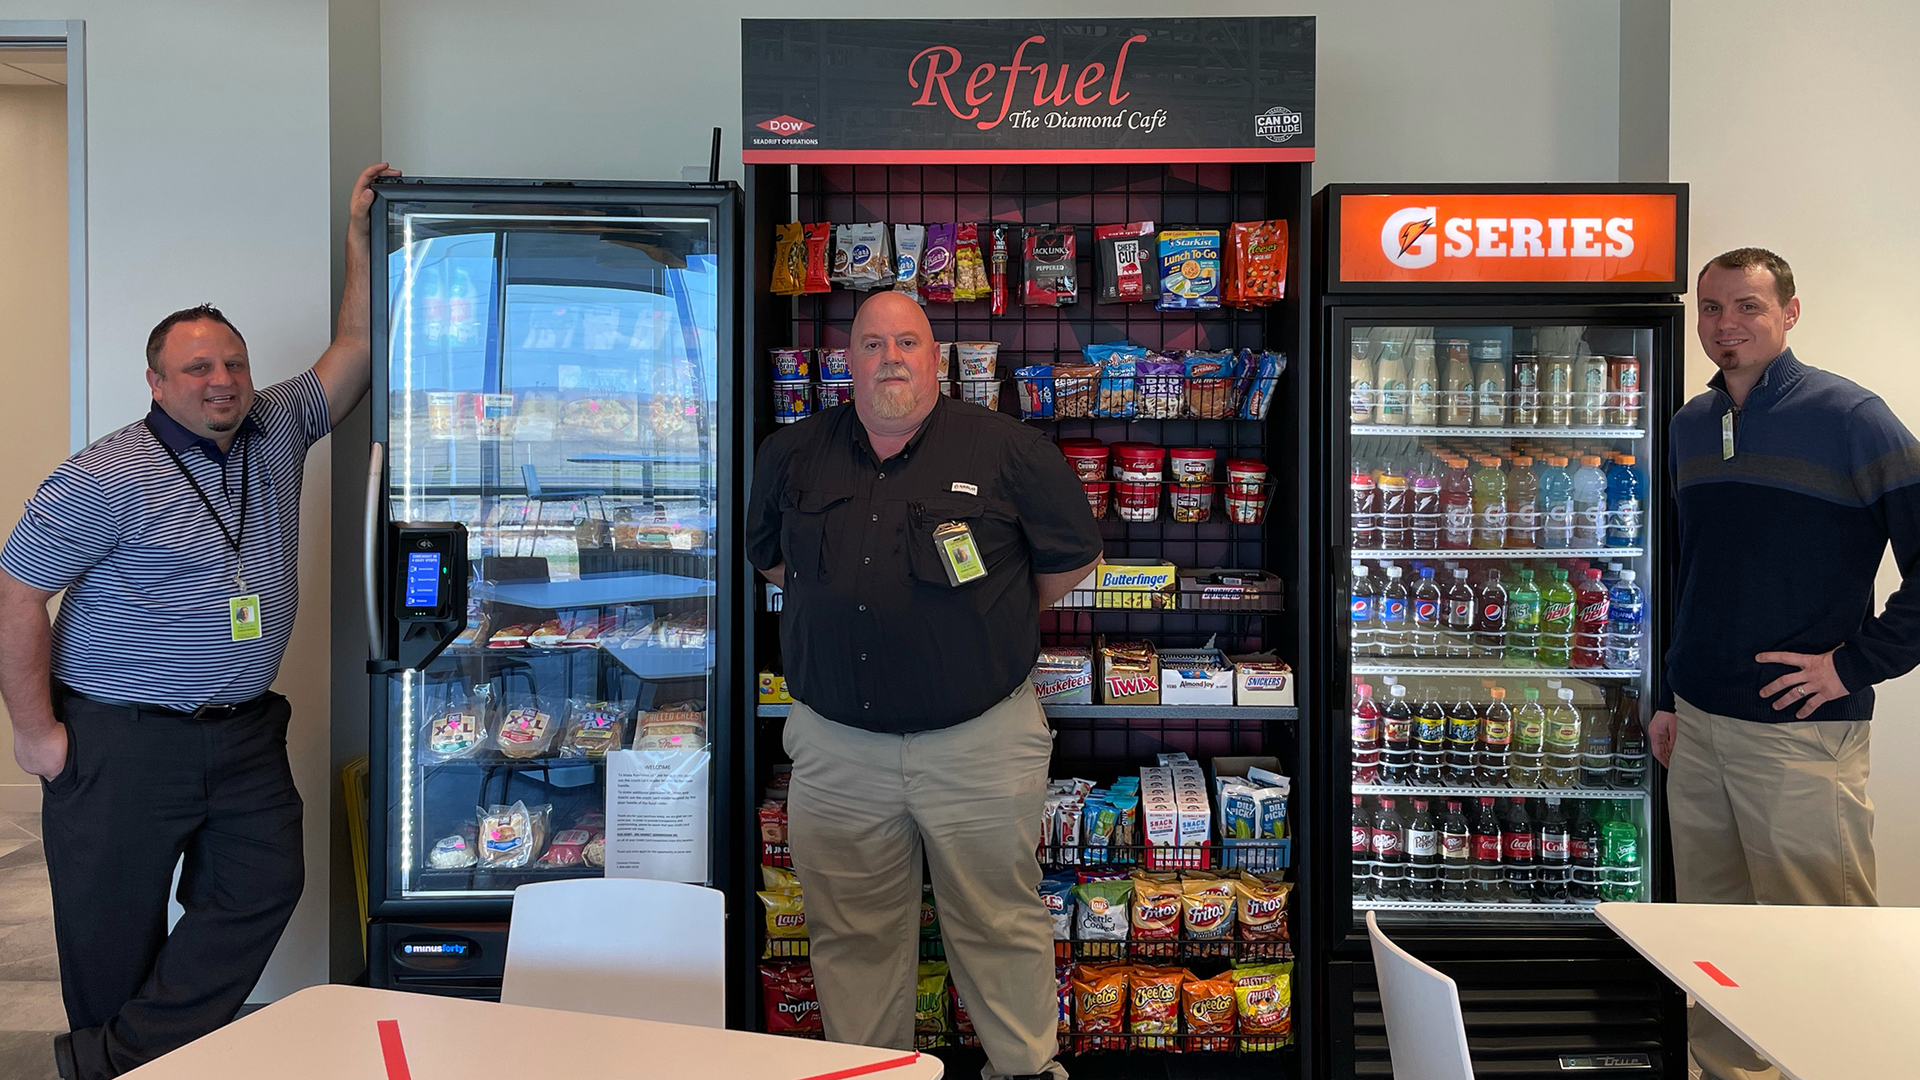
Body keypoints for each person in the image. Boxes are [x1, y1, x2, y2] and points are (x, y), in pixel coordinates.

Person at [0, 162, 399, 1080]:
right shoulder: (103, 474)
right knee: (111, 937)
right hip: (120, 739)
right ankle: (128, 1058)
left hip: (244, 734)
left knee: (265, 884)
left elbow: (354, 346)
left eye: (234, 363)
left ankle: (110, 1061)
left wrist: (356, 236)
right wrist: (35, 733)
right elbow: (18, 594)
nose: (222, 381)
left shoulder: (278, 424)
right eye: (198, 367)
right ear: (156, 381)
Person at [745, 292, 1101, 1080]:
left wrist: (980, 619)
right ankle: (871, 1073)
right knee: (851, 934)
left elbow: (1071, 563)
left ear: (936, 358)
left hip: (979, 746)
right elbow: (773, 562)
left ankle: (1024, 1069)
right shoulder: (790, 453)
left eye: (907, 342)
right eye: (872, 344)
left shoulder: (1009, 450)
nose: (890, 358)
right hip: (838, 752)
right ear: (848, 361)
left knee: (999, 924)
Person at [1653, 247, 1920, 1080]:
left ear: (1790, 314)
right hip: (1697, 727)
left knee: (1820, 946)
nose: (1726, 324)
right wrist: (1667, 693)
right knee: (1716, 948)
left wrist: (1856, 665)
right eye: (1711, 308)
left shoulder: (1851, 416)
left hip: (1801, 737)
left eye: (1748, 306)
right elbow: (1685, 571)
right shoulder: (1690, 426)